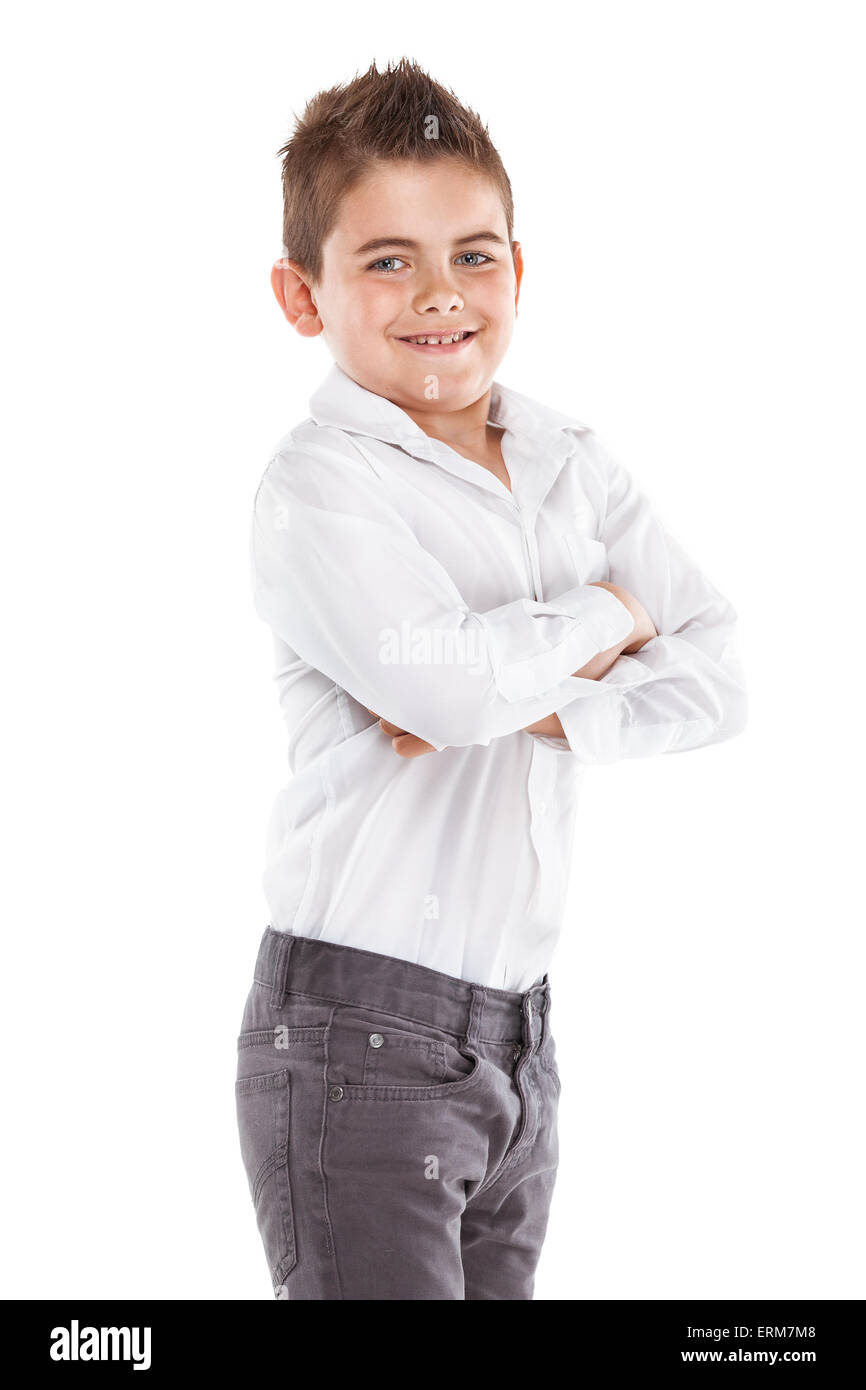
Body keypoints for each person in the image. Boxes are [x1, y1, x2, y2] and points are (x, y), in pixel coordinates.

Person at [234, 57, 747, 1301]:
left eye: (472, 254)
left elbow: (719, 671)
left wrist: (535, 700)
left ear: (518, 266)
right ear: (302, 295)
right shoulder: (321, 484)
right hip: (357, 1036)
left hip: (519, 1034)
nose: (439, 295)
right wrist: (609, 612)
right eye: (386, 260)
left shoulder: (571, 459)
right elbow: (450, 697)